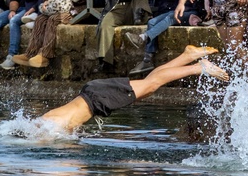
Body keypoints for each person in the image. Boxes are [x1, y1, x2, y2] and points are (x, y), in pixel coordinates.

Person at [40, 45, 228, 133]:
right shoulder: (49, 122)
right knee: (149, 85)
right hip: (95, 97)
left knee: (151, 85)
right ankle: (187, 56)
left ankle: (199, 67)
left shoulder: (49, 127)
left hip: (97, 98)